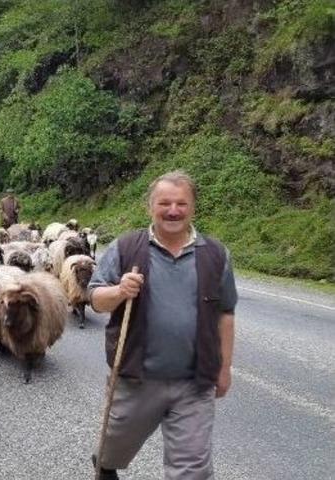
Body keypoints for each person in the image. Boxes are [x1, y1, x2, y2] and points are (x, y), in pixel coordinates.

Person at [88, 170, 237, 480]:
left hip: (194, 383)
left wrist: (224, 369)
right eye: (164, 203)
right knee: (112, 447)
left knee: (192, 470)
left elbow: (226, 313)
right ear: (150, 207)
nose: (173, 211)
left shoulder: (215, 254)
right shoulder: (128, 247)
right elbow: (95, 298)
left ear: (193, 207)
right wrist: (119, 290)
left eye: (181, 203)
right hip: (136, 377)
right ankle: (106, 465)